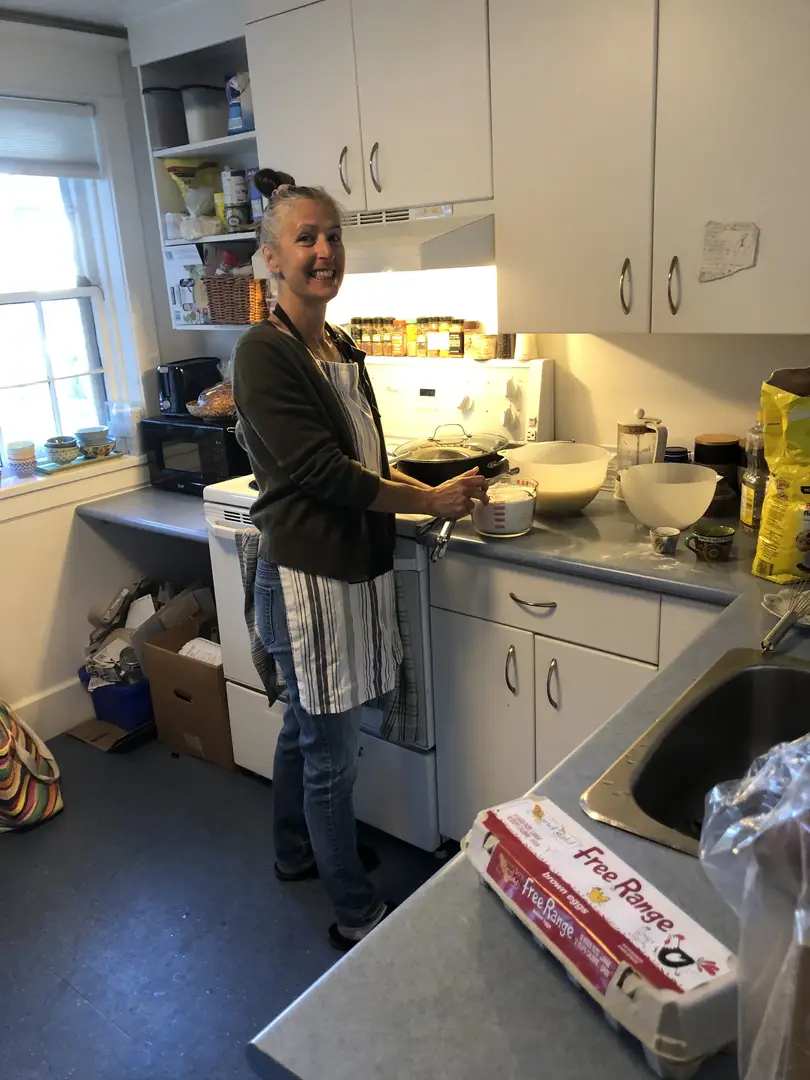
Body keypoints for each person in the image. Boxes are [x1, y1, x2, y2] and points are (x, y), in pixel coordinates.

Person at [233, 168, 488, 950]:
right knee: (331, 753)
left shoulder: (337, 343)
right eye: (305, 238)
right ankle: (354, 910)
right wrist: (428, 503)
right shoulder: (263, 353)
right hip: (309, 576)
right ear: (271, 258)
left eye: (332, 237)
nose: (323, 252)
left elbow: (368, 454)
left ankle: (295, 851)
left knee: (306, 733)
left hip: (347, 567)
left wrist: (429, 484)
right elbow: (323, 475)